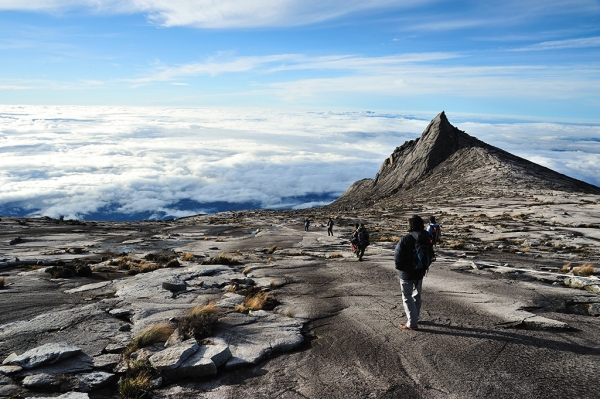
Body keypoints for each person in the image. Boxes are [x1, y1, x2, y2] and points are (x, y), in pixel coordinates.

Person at [394, 215, 433, 331]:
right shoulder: (426, 237)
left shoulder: (406, 239)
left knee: (407, 297)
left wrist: (401, 268)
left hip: (406, 273)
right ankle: (414, 318)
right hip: (420, 272)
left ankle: (412, 323)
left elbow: (397, 258)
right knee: (417, 296)